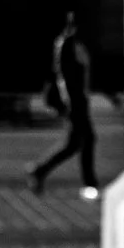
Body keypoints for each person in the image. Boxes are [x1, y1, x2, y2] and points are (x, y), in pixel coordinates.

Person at [26, 12, 98, 198]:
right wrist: (69, 101)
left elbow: (85, 74)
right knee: (86, 140)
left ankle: (40, 170)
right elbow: (62, 76)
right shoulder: (65, 43)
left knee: (75, 144)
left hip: (80, 99)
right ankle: (89, 184)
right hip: (74, 101)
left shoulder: (79, 45)